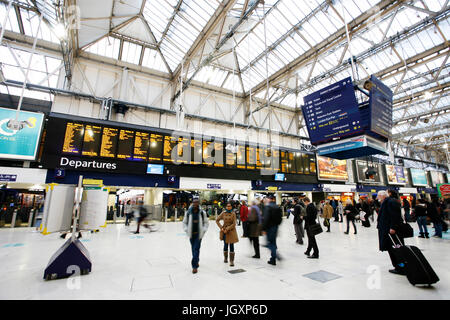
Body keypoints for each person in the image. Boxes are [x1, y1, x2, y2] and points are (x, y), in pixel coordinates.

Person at [376, 190, 406, 275]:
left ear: (383, 196)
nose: (377, 198)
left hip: (391, 231)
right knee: (391, 249)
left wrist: (393, 227)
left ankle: (401, 267)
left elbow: (395, 216)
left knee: (396, 249)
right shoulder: (386, 202)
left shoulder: (390, 202)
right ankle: (397, 266)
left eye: (378, 196)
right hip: (386, 230)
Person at [182, 198, 209, 274]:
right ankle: (196, 261)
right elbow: (184, 223)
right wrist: (187, 230)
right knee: (194, 249)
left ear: (199, 203)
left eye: (197, 202)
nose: (195, 204)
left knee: (196, 249)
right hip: (191, 235)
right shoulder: (188, 213)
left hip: (198, 234)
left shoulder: (202, 213)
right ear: (192, 203)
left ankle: (194, 267)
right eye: (194, 202)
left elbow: (206, 223)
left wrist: (203, 230)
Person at [261, 195, 283, 265]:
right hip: (275, 227)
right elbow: (280, 218)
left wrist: (263, 228)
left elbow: (266, 219)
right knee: (273, 242)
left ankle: (276, 255)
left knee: (269, 243)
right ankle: (273, 260)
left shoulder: (268, 207)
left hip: (269, 228)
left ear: (269, 199)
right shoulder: (277, 206)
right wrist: (277, 224)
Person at [216, 202, 239, 267]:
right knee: (225, 245)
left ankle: (231, 261)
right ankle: (225, 258)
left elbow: (234, 224)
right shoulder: (223, 213)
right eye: (227, 206)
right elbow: (217, 220)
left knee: (231, 245)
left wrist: (227, 229)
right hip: (224, 231)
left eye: (229, 206)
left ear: (231, 207)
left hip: (231, 231)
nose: (228, 207)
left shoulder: (233, 213)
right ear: (226, 207)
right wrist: (221, 228)